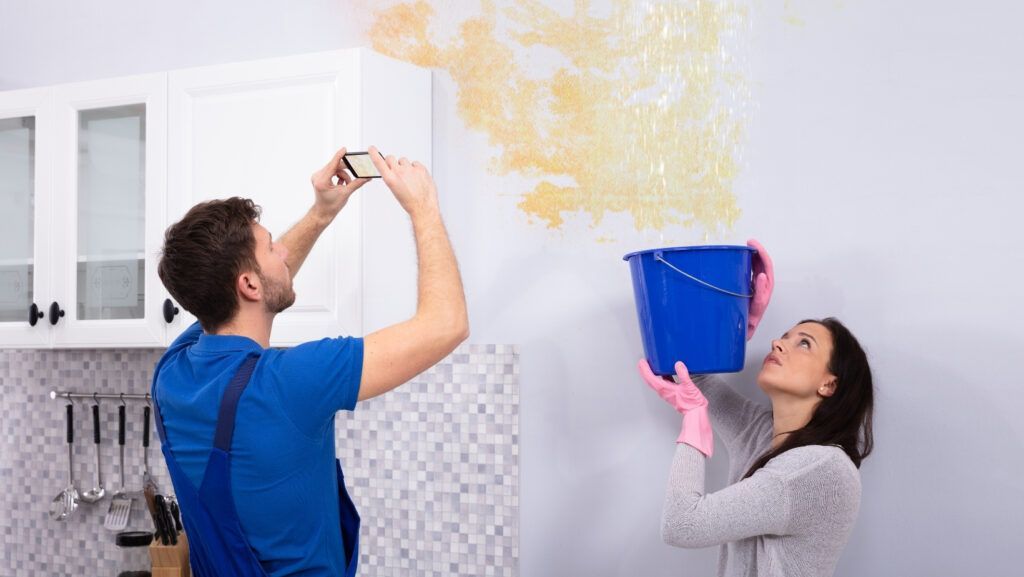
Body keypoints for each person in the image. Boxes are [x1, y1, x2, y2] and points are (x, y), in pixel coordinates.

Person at [152, 146, 468, 577]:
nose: (283, 251)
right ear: (247, 283)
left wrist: (321, 214)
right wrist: (423, 207)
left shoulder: (171, 374)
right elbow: (445, 324)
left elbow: (260, 288)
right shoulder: (292, 382)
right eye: (270, 248)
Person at [638, 241, 873, 577]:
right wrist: (730, 327)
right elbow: (690, 373)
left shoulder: (818, 469)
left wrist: (694, 421)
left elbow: (681, 524)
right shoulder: (763, 434)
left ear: (829, 384)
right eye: (784, 336)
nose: (779, 343)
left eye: (803, 343)